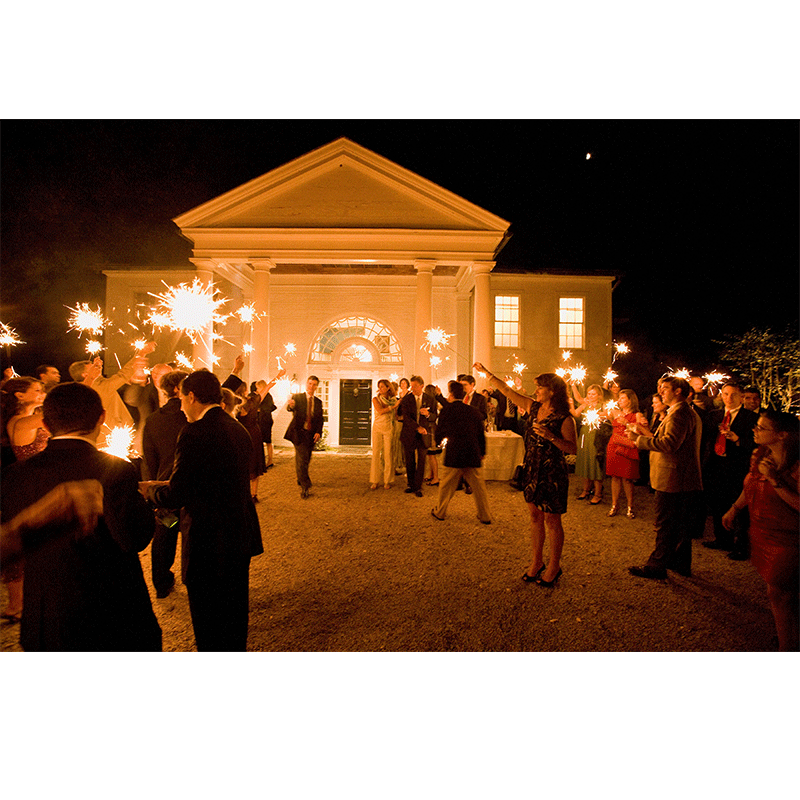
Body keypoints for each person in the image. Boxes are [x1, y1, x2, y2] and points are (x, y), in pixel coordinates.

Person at [0, 382, 161, 650]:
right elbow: (134, 539)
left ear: (47, 425)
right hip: (112, 613)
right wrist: (144, 503)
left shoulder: (16, 474)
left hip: (46, 619)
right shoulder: (117, 470)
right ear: (102, 418)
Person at [141, 370, 263, 651]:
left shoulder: (194, 432)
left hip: (208, 538)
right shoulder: (236, 427)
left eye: (182, 397)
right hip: (239, 532)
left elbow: (179, 492)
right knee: (234, 611)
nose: (181, 404)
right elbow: (215, 476)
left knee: (209, 619)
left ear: (192, 396)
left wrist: (150, 491)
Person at [476, 362, 577, 587]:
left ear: (552, 391)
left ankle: (554, 565)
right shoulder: (532, 407)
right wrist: (488, 374)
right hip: (532, 467)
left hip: (552, 472)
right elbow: (508, 392)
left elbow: (572, 448)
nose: (536, 391)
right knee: (534, 516)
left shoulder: (564, 418)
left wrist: (551, 437)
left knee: (552, 519)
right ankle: (536, 561)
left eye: (540, 387)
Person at [721, 409, 799, 651]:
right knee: (782, 592)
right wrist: (734, 509)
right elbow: (751, 484)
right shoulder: (760, 454)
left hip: (788, 538)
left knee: (780, 595)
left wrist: (775, 479)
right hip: (762, 532)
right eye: (755, 426)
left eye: (761, 427)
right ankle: (788, 634)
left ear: (782, 435)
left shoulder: (796, 465)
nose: (754, 430)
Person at [627, 375, 703, 580]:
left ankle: (656, 566)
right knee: (678, 523)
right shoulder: (681, 412)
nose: (661, 392)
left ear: (678, 391)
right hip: (680, 477)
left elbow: (669, 444)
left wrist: (638, 440)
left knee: (665, 522)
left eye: (665, 388)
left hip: (674, 478)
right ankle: (680, 563)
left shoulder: (680, 414)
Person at [1, 377, 48, 621]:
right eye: (37, 390)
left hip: (36, 485)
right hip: (26, 488)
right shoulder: (19, 422)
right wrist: (90, 382)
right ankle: (16, 605)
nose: (42, 393)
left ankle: (23, 604)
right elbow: (57, 415)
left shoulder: (31, 417)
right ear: (19, 396)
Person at [140, 369, 189, 599]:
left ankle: (161, 581)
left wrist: (153, 489)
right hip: (189, 489)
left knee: (166, 533)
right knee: (191, 532)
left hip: (164, 490)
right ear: (179, 388)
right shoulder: (190, 417)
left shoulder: (153, 419)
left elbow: (149, 459)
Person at [702, 382, 757, 557]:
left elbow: (757, 443)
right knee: (718, 502)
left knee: (739, 505)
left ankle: (741, 545)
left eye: (733, 394)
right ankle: (722, 539)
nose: (729, 398)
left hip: (738, 465)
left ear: (741, 397)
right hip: (717, 464)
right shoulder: (714, 415)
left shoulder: (750, 418)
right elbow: (705, 438)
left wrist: (738, 440)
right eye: (725, 394)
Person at [69, 342, 155, 448]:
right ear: (85, 375)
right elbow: (124, 374)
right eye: (93, 367)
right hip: (111, 439)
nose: (98, 368)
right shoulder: (99, 387)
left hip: (100, 438)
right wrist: (142, 353)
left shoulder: (78, 391)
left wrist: (98, 367)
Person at [430, 380, 492, 524]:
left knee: (446, 486)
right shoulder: (473, 411)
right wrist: (482, 451)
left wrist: (439, 442)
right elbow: (480, 433)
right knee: (479, 488)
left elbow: (440, 430)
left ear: (451, 394)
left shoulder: (447, 410)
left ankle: (440, 512)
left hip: (454, 453)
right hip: (472, 452)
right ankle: (485, 515)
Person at [605, 389, 646, 518]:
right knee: (615, 477)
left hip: (627, 447)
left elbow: (639, 433)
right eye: (619, 398)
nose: (619, 400)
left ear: (630, 400)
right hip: (614, 445)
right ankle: (614, 505)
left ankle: (630, 507)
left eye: (623, 398)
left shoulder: (637, 415)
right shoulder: (615, 412)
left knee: (627, 478)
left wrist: (627, 423)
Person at [285, 376, 324, 499]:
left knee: (305, 459)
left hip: (310, 434)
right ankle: (305, 486)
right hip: (298, 432)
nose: (311, 386)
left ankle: (300, 478)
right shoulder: (298, 398)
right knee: (302, 459)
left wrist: (318, 432)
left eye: (314, 384)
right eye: (310, 383)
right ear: (306, 384)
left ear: (316, 387)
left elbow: (320, 419)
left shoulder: (318, 402)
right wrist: (290, 405)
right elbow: (290, 408)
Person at [398, 375, 436, 497]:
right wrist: (417, 427)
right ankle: (411, 484)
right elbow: (406, 418)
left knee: (422, 461)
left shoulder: (430, 399)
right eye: (411, 386)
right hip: (409, 433)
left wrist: (429, 414)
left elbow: (435, 417)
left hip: (424, 434)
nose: (412, 388)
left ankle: (418, 486)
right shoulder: (407, 399)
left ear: (421, 386)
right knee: (409, 460)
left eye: (414, 386)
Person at [570, 383, 605, 504]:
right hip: (585, 434)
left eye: (593, 394)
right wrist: (570, 404)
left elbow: (609, 415)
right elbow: (576, 414)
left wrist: (597, 414)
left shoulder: (602, 405)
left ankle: (598, 493)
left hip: (596, 436)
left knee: (595, 464)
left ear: (599, 395)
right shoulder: (585, 404)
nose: (590, 395)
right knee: (585, 462)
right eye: (589, 393)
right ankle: (586, 490)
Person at [254, 368, 285, 468]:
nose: (257, 390)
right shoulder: (262, 396)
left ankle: (269, 460)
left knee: (267, 440)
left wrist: (258, 409)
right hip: (262, 420)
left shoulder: (267, 396)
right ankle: (264, 460)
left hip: (265, 420)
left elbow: (268, 408)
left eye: (258, 388)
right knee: (264, 441)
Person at [238, 391, 267, 501]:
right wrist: (278, 377)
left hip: (243, 434)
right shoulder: (253, 402)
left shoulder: (237, 405)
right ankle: (254, 494)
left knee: (245, 464)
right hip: (254, 434)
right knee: (254, 463)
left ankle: (247, 494)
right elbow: (267, 388)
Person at [369, 379, 397, 489]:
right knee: (376, 453)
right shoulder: (376, 399)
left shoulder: (392, 400)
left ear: (388, 387)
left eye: (382, 387)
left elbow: (395, 414)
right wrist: (393, 407)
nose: (380, 389)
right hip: (377, 428)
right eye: (379, 387)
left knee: (388, 454)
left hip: (388, 428)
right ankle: (374, 480)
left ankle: (387, 480)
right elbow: (380, 411)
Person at [424, 384, 441, 487]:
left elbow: (433, 416)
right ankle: (431, 474)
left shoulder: (431, 402)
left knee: (431, 454)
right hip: (432, 428)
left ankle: (436, 477)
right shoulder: (435, 401)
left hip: (430, 429)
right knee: (430, 454)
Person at [393, 377, 410, 476]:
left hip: (405, 420)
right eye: (401, 383)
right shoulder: (399, 395)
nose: (403, 384)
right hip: (399, 419)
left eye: (404, 383)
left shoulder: (409, 394)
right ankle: (399, 464)